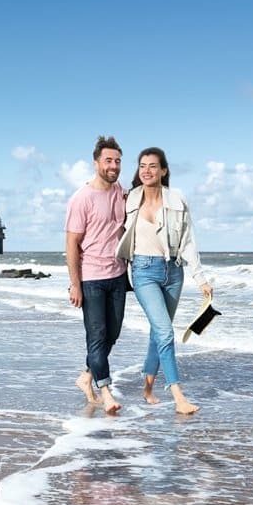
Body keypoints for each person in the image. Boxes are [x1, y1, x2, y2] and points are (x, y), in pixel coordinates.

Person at [116, 147, 213, 414]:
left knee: (158, 333)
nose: (146, 171)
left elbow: (188, 241)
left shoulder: (178, 200)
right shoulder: (129, 199)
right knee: (165, 332)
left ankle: (147, 387)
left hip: (174, 272)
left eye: (153, 166)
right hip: (143, 271)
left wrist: (201, 279)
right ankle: (178, 395)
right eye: (142, 166)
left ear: (164, 171)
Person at [66, 135, 127, 414]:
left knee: (112, 334)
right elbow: (71, 244)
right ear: (96, 163)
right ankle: (106, 392)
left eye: (117, 161)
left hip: (117, 276)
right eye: (108, 161)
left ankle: (87, 377)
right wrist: (74, 285)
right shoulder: (82, 198)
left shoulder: (120, 192)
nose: (113, 166)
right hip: (91, 278)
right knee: (97, 335)